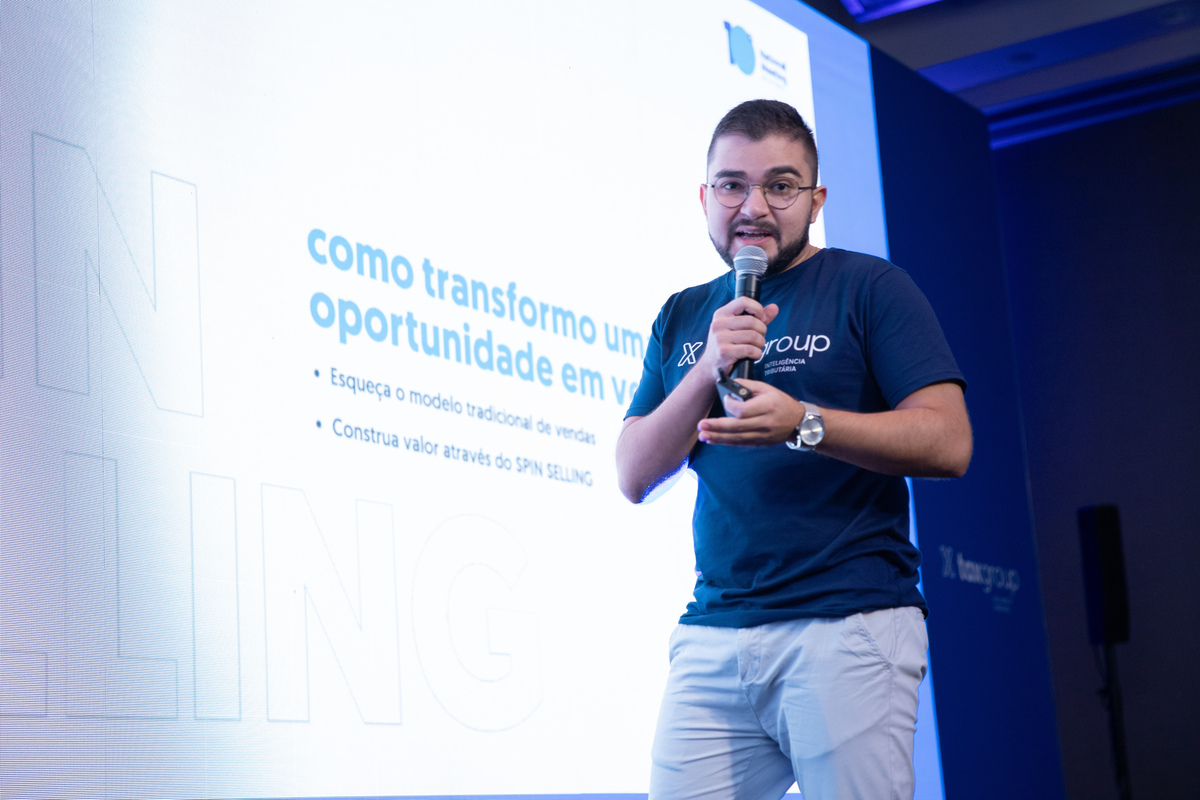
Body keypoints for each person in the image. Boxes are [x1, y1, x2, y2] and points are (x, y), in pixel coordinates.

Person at [615, 99, 972, 800]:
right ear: (704, 197)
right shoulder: (684, 314)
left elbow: (948, 440)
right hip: (715, 630)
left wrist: (804, 423)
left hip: (847, 623)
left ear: (816, 199)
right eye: (732, 185)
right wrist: (707, 368)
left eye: (779, 186)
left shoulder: (869, 287)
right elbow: (633, 473)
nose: (752, 207)